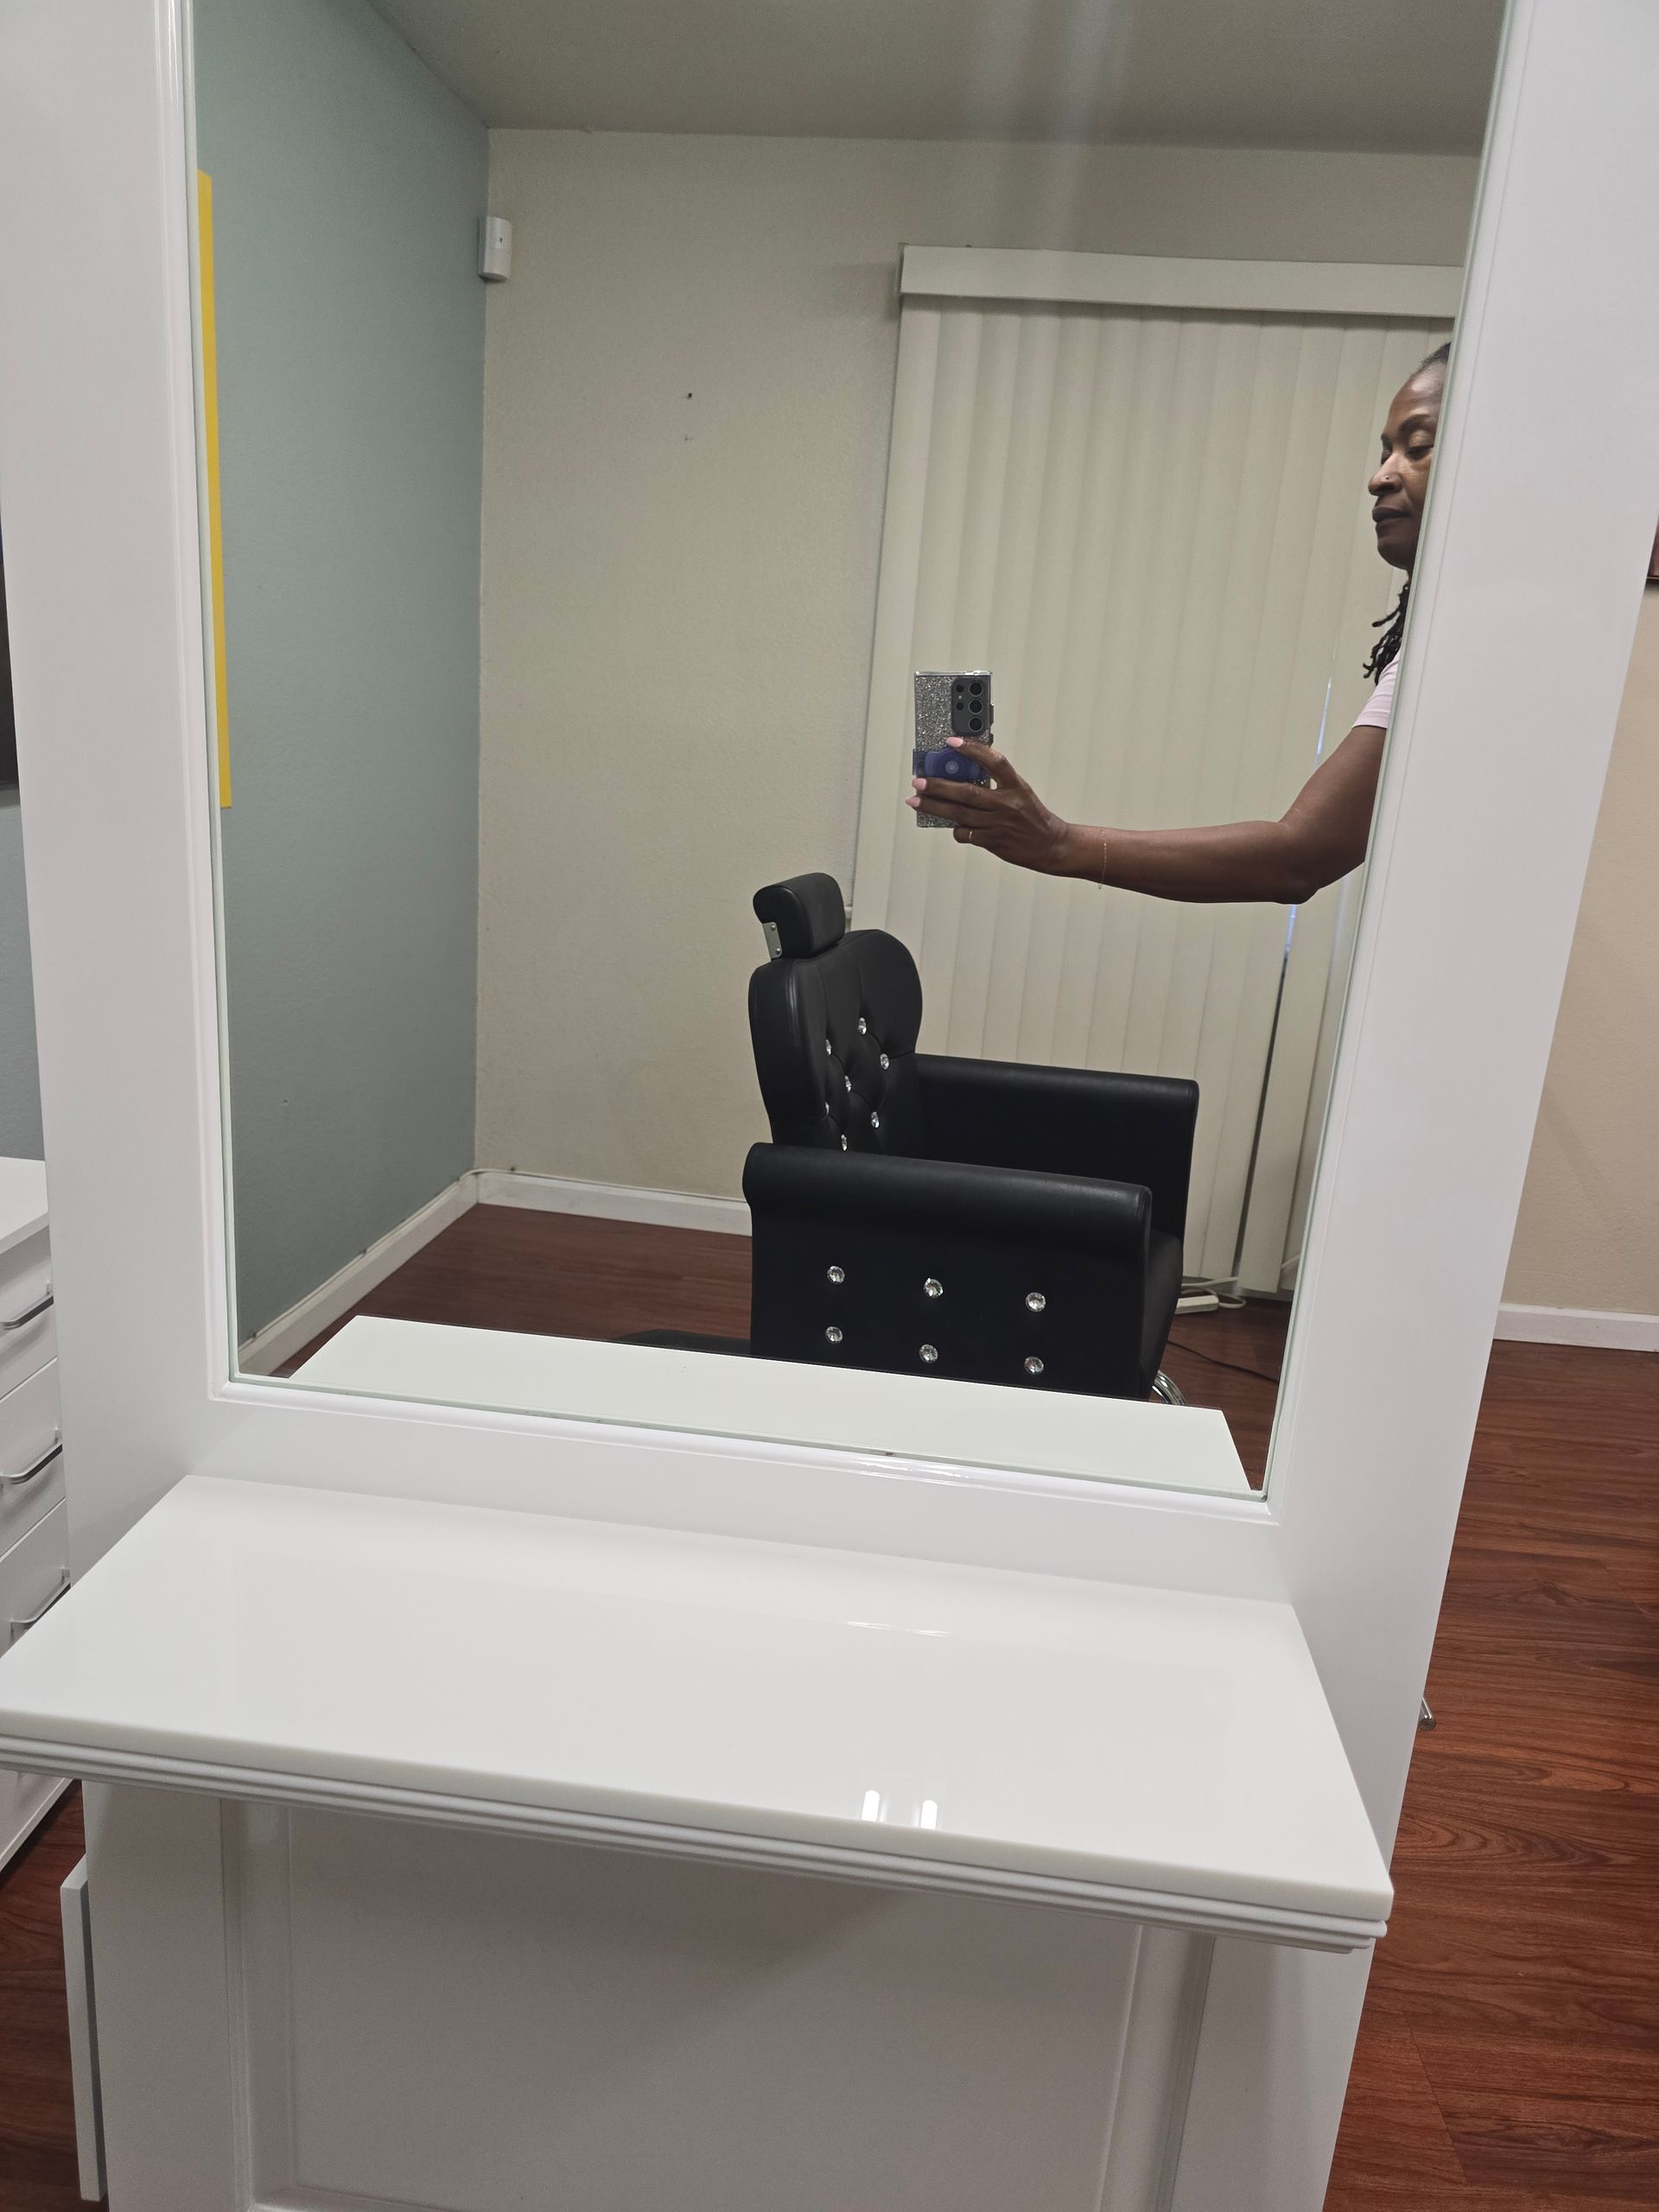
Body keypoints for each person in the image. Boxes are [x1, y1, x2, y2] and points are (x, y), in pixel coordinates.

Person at [906, 343, 1450, 903]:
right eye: (1386, 451)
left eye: (1419, 446)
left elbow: (1299, 856)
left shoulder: (1459, 654)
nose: (1380, 476)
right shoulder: (1439, 643)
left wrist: (1058, 843)